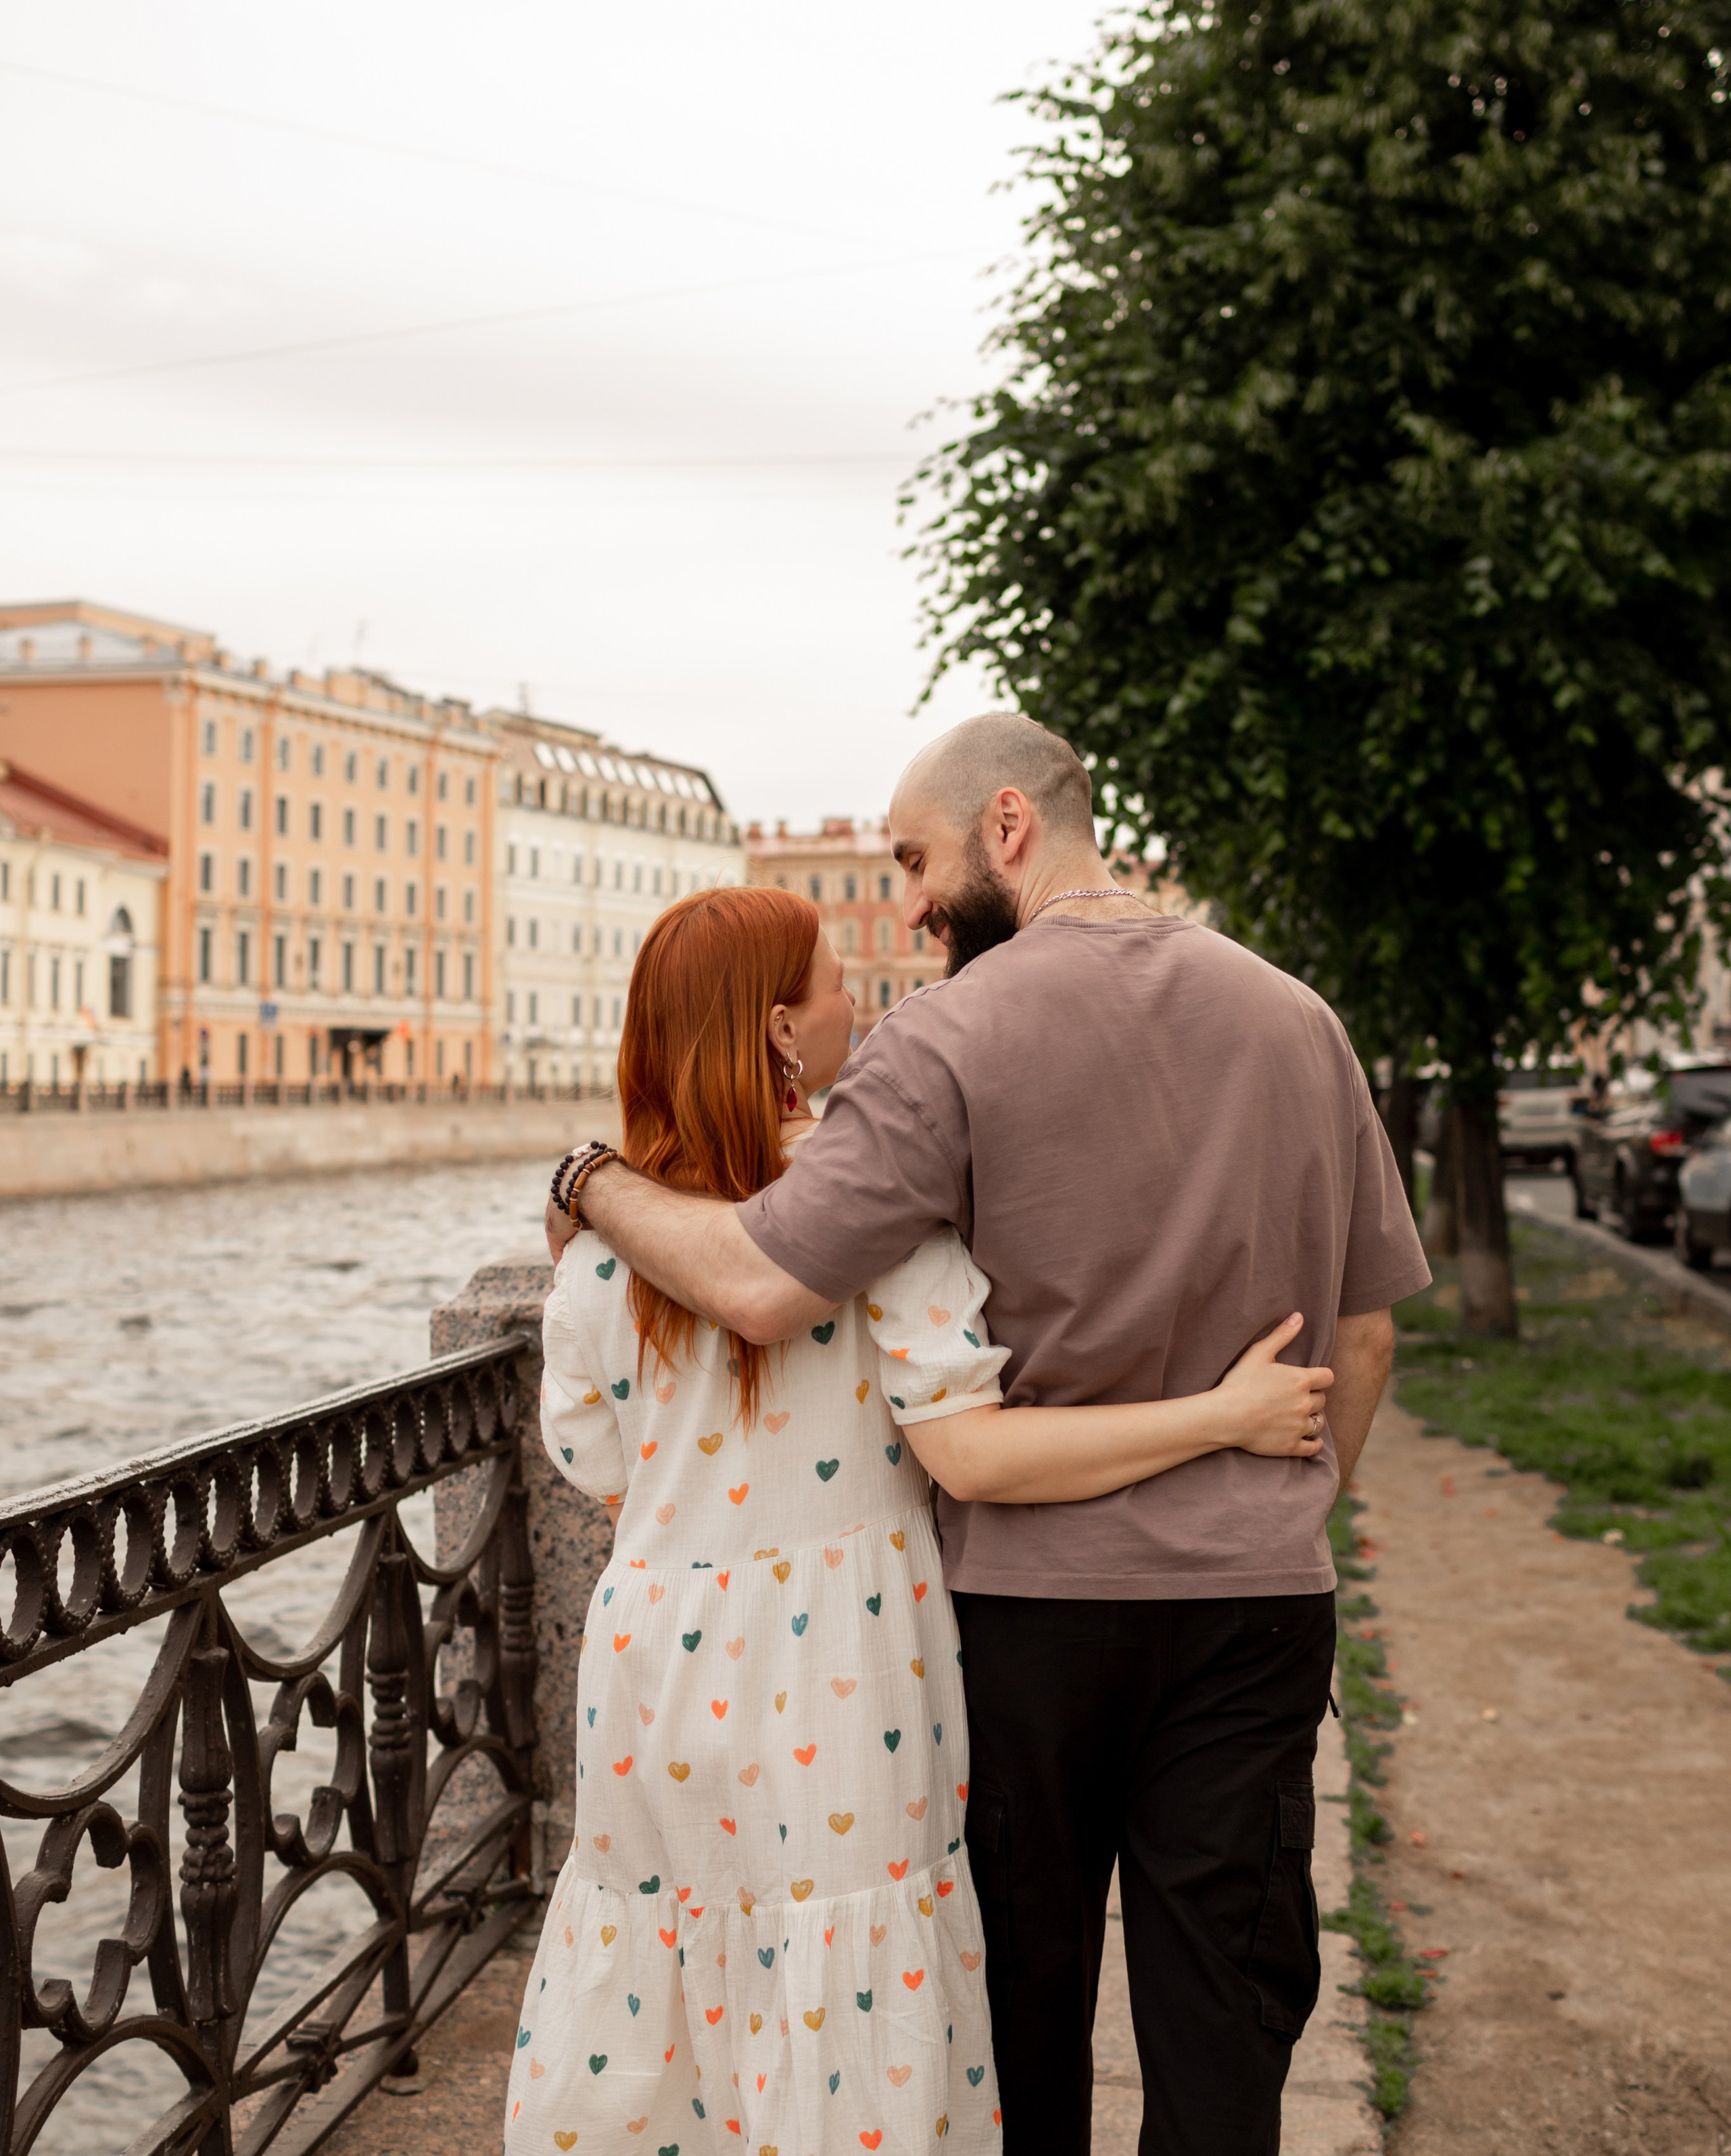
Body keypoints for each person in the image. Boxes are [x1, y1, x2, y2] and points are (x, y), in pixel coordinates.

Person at [544, 715, 1429, 2156]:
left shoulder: (940, 1038)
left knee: (1016, 2019)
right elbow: (1371, 1331)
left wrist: (590, 1176)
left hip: (1026, 1617)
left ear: (1004, 827)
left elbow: (764, 1282)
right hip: (1251, 1606)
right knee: (1225, 2017)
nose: (903, 902)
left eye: (912, 860)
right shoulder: (1294, 1017)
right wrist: (1282, 1506)